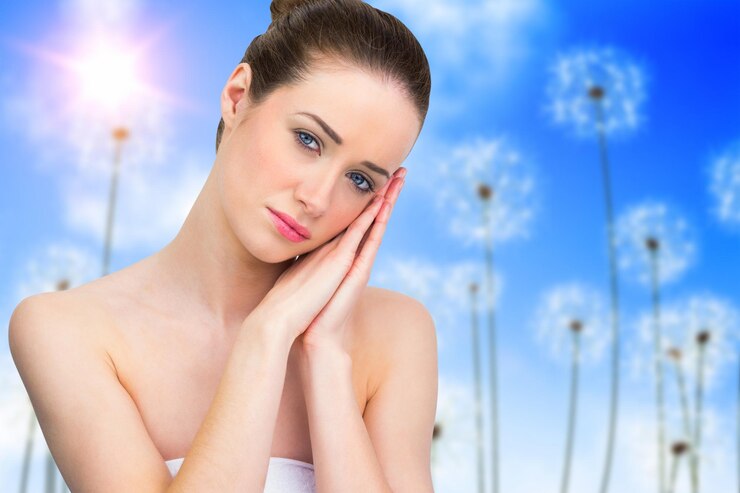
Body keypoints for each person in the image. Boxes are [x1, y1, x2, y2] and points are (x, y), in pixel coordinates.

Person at [8, 0, 437, 491]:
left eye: (360, 180)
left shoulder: (397, 333)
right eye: (308, 139)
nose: (316, 199)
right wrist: (266, 336)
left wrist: (325, 356)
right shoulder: (68, 331)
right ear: (237, 98)